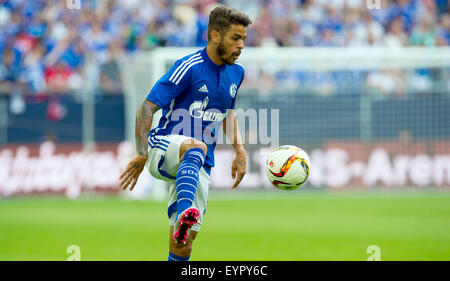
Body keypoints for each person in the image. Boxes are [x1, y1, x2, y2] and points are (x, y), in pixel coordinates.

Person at [119, 6, 252, 261]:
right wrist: (141, 154)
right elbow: (146, 108)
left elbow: (227, 114)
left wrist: (240, 150)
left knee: (183, 247)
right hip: (165, 147)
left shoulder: (237, 73)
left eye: (243, 38)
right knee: (196, 147)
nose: (241, 45)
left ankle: (184, 216)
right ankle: (185, 211)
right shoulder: (189, 66)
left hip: (199, 164)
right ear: (215, 36)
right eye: (236, 38)